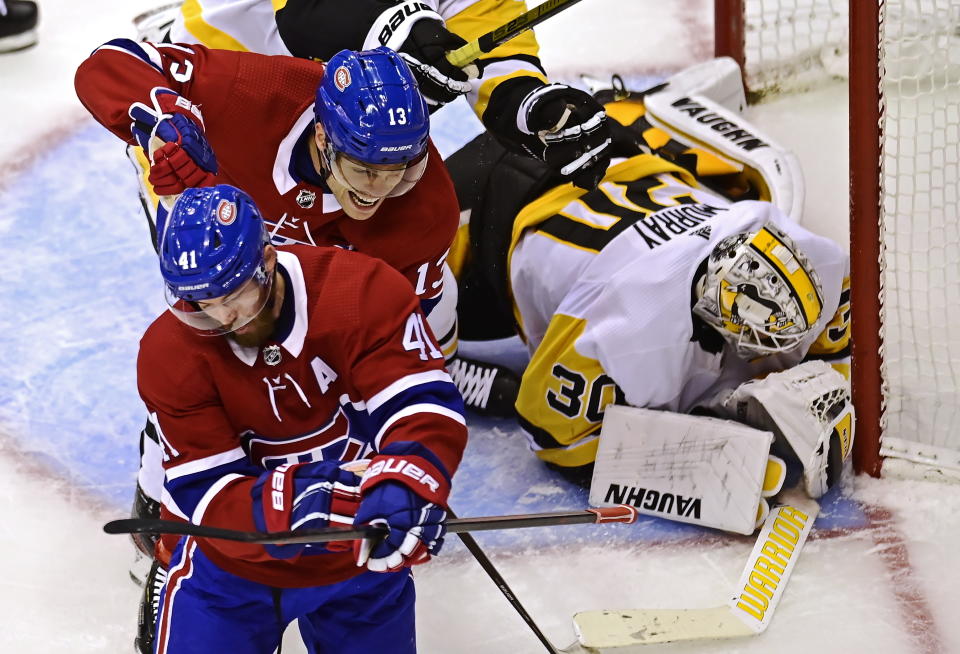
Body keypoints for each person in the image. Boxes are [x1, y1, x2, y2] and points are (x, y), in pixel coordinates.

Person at [444, 70, 854, 494]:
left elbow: (834, 294)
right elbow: (551, 433)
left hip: (612, 150)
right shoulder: (626, 325)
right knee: (399, 302)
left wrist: (830, 373)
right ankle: (455, 371)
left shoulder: (780, 234)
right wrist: (701, 442)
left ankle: (612, 100)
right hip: (494, 210)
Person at [136, 183, 467, 653]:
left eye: (235, 294)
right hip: (231, 570)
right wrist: (304, 500)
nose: (223, 317)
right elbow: (206, 490)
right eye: (202, 303)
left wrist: (410, 481)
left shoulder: (362, 293)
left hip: (357, 556)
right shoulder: (169, 352)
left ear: (267, 260)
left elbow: (421, 404)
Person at [135, 0, 613, 190]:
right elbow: (304, 16)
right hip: (215, 118)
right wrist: (403, 27)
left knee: (414, 294)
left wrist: (524, 100)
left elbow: (480, 14)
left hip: (341, 132)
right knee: (232, 291)